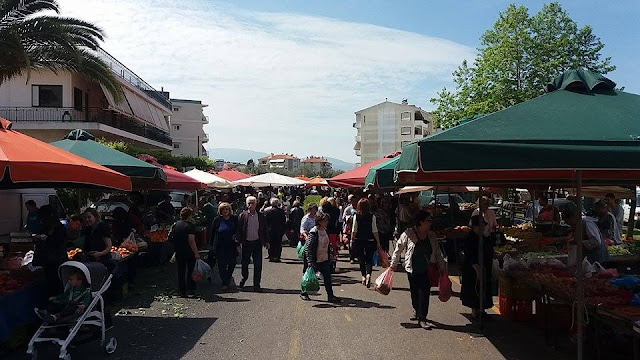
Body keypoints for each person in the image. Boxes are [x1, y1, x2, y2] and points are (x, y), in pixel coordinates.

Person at [390, 210, 445, 328]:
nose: (430, 223)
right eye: (428, 221)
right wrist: (393, 263)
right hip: (412, 269)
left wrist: (442, 267)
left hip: (427, 269)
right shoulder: (409, 233)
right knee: (414, 293)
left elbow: (438, 253)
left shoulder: (431, 235)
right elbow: (398, 248)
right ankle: (417, 309)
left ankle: (422, 318)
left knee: (425, 293)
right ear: (421, 222)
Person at [300, 212, 341, 303]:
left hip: (324, 258)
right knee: (308, 277)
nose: (327, 222)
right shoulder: (313, 232)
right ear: (319, 221)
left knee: (327, 278)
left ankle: (330, 296)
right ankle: (304, 293)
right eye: (325, 220)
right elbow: (308, 248)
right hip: (314, 259)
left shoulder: (324, 230)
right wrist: (310, 262)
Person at [461, 215, 495, 320]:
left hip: (485, 266)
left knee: (484, 288)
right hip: (473, 268)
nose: (482, 227)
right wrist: (476, 266)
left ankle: (482, 309)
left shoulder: (483, 237)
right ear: (474, 226)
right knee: (474, 288)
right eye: (480, 225)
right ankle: (475, 310)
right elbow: (469, 254)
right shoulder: (470, 238)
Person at [236, 196, 269, 292]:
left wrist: (266, 241)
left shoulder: (261, 216)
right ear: (246, 204)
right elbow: (238, 230)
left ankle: (256, 285)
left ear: (256, 204)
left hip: (257, 243)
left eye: (253, 203)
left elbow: (264, 229)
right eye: (249, 203)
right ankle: (244, 278)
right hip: (246, 243)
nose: (250, 205)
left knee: (258, 265)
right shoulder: (243, 215)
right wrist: (238, 244)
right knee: (245, 263)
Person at [32, 205, 67, 296]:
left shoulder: (60, 228)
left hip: (58, 261)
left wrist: (44, 238)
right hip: (48, 261)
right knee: (50, 283)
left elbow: (57, 242)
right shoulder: (46, 228)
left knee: (57, 284)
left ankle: (57, 305)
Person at [351, 198, 382, 288]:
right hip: (370, 240)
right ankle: (369, 274)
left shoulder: (356, 216)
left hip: (358, 239)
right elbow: (375, 230)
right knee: (369, 259)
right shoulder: (372, 217)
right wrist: (378, 242)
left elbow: (354, 229)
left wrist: (351, 239)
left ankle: (363, 276)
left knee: (361, 259)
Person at [172, 207, 201, 297]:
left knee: (180, 271)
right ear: (189, 216)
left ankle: (182, 291)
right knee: (191, 270)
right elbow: (191, 241)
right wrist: (196, 252)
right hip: (189, 251)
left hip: (178, 251)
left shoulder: (176, 225)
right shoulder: (190, 226)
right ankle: (190, 289)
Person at [211, 202, 239, 290]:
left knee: (232, 263)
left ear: (229, 210)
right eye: (223, 209)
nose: (225, 211)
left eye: (227, 209)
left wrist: (238, 244)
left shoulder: (234, 219)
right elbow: (212, 234)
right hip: (220, 246)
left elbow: (238, 232)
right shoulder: (217, 220)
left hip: (231, 245)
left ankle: (228, 277)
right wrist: (211, 246)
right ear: (220, 211)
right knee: (221, 265)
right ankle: (225, 282)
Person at [264, 198, 287, 262]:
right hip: (279, 230)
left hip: (270, 230)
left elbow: (265, 222)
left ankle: (271, 256)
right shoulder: (281, 211)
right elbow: (284, 221)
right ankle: (277, 256)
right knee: (278, 244)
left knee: (271, 243)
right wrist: (283, 230)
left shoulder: (267, 211)